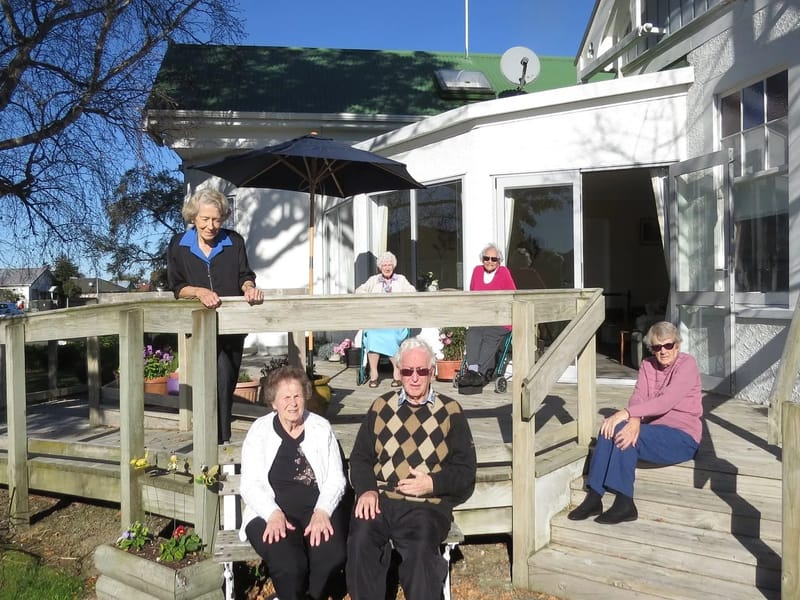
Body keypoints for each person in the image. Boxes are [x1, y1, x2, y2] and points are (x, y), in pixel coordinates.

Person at [346, 337, 477, 600]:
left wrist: (433, 483)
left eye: (421, 371)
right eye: (407, 371)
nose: (414, 378)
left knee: (419, 554)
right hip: (381, 500)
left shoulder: (451, 412)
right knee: (360, 542)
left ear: (431, 372)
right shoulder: (381, 407)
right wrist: (367, 490)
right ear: (398, 372)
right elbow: (360, 457)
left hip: (426, 505)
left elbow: (465, 471)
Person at [568, 321, 702, 524]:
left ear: (677, 345)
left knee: (623, 428)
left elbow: (666, 402)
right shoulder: (648, 365)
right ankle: (594, 496)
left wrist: (627, 414)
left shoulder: (687, 364)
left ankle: (625, 502)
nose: (663, 351)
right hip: (653, 431)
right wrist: (635, 418)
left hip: (682, 436)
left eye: (668, 345)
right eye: (657, 347)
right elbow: (639, 397)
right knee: (609, 426)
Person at [239, 365, 349, 600]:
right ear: (273, 402)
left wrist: (323, 511)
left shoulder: (321, 427)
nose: (293, 403)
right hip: (270, 514)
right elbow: (249, 484)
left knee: (332, 555)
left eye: (297, 395)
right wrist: (272, 513)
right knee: (290, 565)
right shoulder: (259, 431)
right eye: (286, 397)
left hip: (317, 510)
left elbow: (336, 479)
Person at [167, 188, 264, 444]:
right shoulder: (179, 245)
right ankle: (213, 442)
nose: (211, 226)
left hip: (232, 327)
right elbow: (177, 287)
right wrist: (199, 291)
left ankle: (218, 442)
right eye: (205, 220)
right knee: (208, 383)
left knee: (225, 382)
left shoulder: (234, 241)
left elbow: (245, 275)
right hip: (198, 327)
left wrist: (249, 288)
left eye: (217, 219)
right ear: (193, 217)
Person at [355, 251, 416, 388]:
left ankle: (397, 372)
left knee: (390, 335)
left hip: (396, 322)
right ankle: (374, 374)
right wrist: (371, 299)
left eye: (389, 265)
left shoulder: (401, 279)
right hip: (377, 321)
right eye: (384, 265)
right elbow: (359, 291)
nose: (387, 268)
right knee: (372, 335)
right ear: (380, 267)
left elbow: (412, 291)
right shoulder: (374, 280)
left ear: (393, 266)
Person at [460, 243, 516, 387]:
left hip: (500, 319)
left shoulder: (504, 272)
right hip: (481, 317)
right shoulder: (477, 271)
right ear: (482, 259)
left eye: (494, 259)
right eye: (487, 258)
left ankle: (480, 372)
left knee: (490, 335)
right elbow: (473, 293)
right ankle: (472, 369)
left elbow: (512, 294)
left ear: (499, 261)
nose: (490, 261)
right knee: (473, 333)